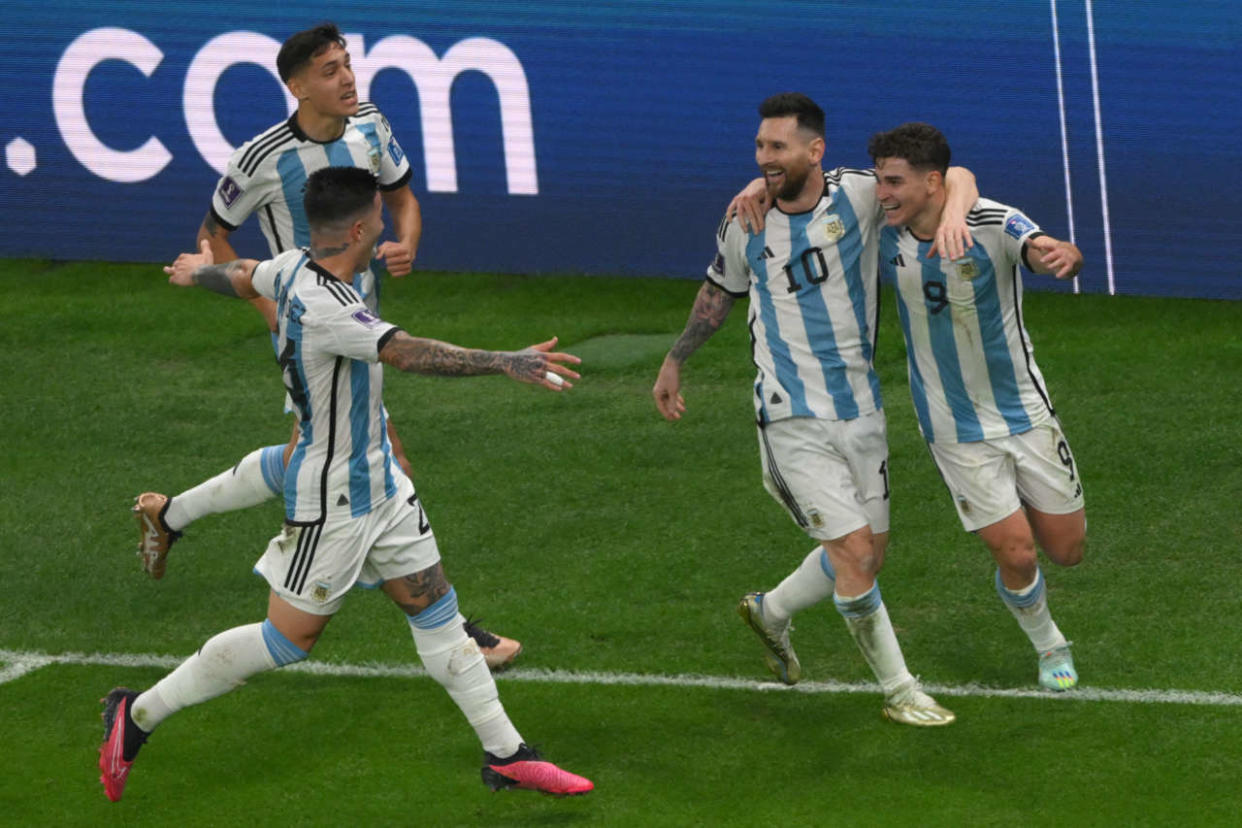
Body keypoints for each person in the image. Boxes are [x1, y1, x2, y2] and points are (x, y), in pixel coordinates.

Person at [99, 166, 591, 803]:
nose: (385, 225)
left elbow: (246, 272)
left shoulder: (296, 266)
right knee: (286, 640)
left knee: (437, 613)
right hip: (332, 501)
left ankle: (509, 755)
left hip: (380, 483)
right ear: (359, 228)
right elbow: (406, 351)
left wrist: (200, 273)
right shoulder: (329, 305)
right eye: (380, 218)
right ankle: (136, 715)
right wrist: (507, 361)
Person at [129, 22, 521, 668]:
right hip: (315, 336)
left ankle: (170, 515)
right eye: (330, 70)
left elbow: (403, 197)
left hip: (363, 326)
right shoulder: (260, 159)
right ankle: (454, 629)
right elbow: (212, 237)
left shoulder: (370, 125)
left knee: (316, 458)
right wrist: (270, 309)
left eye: (347, 64)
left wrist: (408, 243)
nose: (346, 78)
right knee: (381, 469)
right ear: (297, 86)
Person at [653, 93, 978, 726]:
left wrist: (957, 207)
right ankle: (901, 692)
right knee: (854, 552)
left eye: (777, 147)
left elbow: (953, 175)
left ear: (815, 150)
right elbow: (719, 292)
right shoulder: (744, 222)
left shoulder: (859, 196)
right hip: (789, 414)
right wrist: (675, 359)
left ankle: (770, 611)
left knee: (865, 555)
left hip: (860, 409)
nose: (764, 159)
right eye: (759, 148)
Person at [868, 122, 1085, 690]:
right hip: (952, 425)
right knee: (1018, 554)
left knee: (1066, 551)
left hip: (1025, 414)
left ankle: (1035, 583)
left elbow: (1041, 248)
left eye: (894, 181)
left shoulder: (990, 221)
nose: (882, 192)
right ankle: (1050, 644)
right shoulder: (882, 227)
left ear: (931, 181)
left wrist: (1059, 254)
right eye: (879, 180)